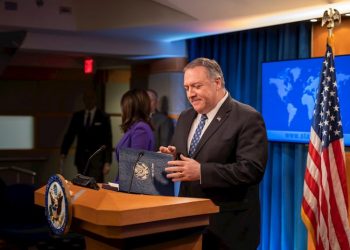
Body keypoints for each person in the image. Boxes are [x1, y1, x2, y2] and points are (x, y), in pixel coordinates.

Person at [160, 58, 268, 250]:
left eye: (196, 86)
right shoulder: (185, 116)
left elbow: (251, 170)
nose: (190, 94)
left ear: (217, 83)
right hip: (187, 224)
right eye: (186, 88)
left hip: (228, 229)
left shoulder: (247, 117)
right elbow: (190, 158)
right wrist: (173, 157)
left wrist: (201, 172)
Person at [60, 88, 112, 183]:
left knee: (94, 185)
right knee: (82, 184)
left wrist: (107, 162)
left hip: (97, 160)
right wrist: (64, 152)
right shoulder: (77, 116)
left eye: (91, 98)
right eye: (86, 98)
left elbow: (108, 140)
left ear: (95, 99)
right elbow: (70, 135)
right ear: (84, 100)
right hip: (81, 158)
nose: (89, 100)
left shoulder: (103, 117)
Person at [115, 89, 155, 164]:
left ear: (130, 108)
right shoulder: (134, 127)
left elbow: (136, 165)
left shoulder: (140, 129)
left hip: (129, 175)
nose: (122, 111)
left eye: (123, 107)